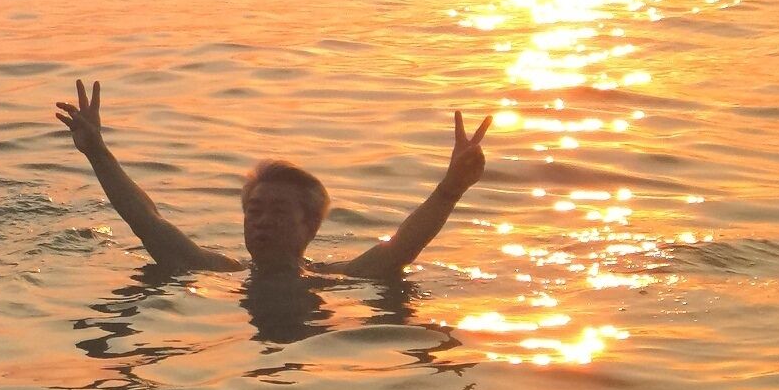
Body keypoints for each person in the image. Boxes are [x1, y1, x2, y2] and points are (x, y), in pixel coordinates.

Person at [54, 85, 493, 285]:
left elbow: (400, 247)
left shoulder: (339, 280)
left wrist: (450, 188)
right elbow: (146, 220)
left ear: (310, 228)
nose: (262, 223)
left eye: (279, 213)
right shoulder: (213, 271)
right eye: (254, 211)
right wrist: (97, 152)